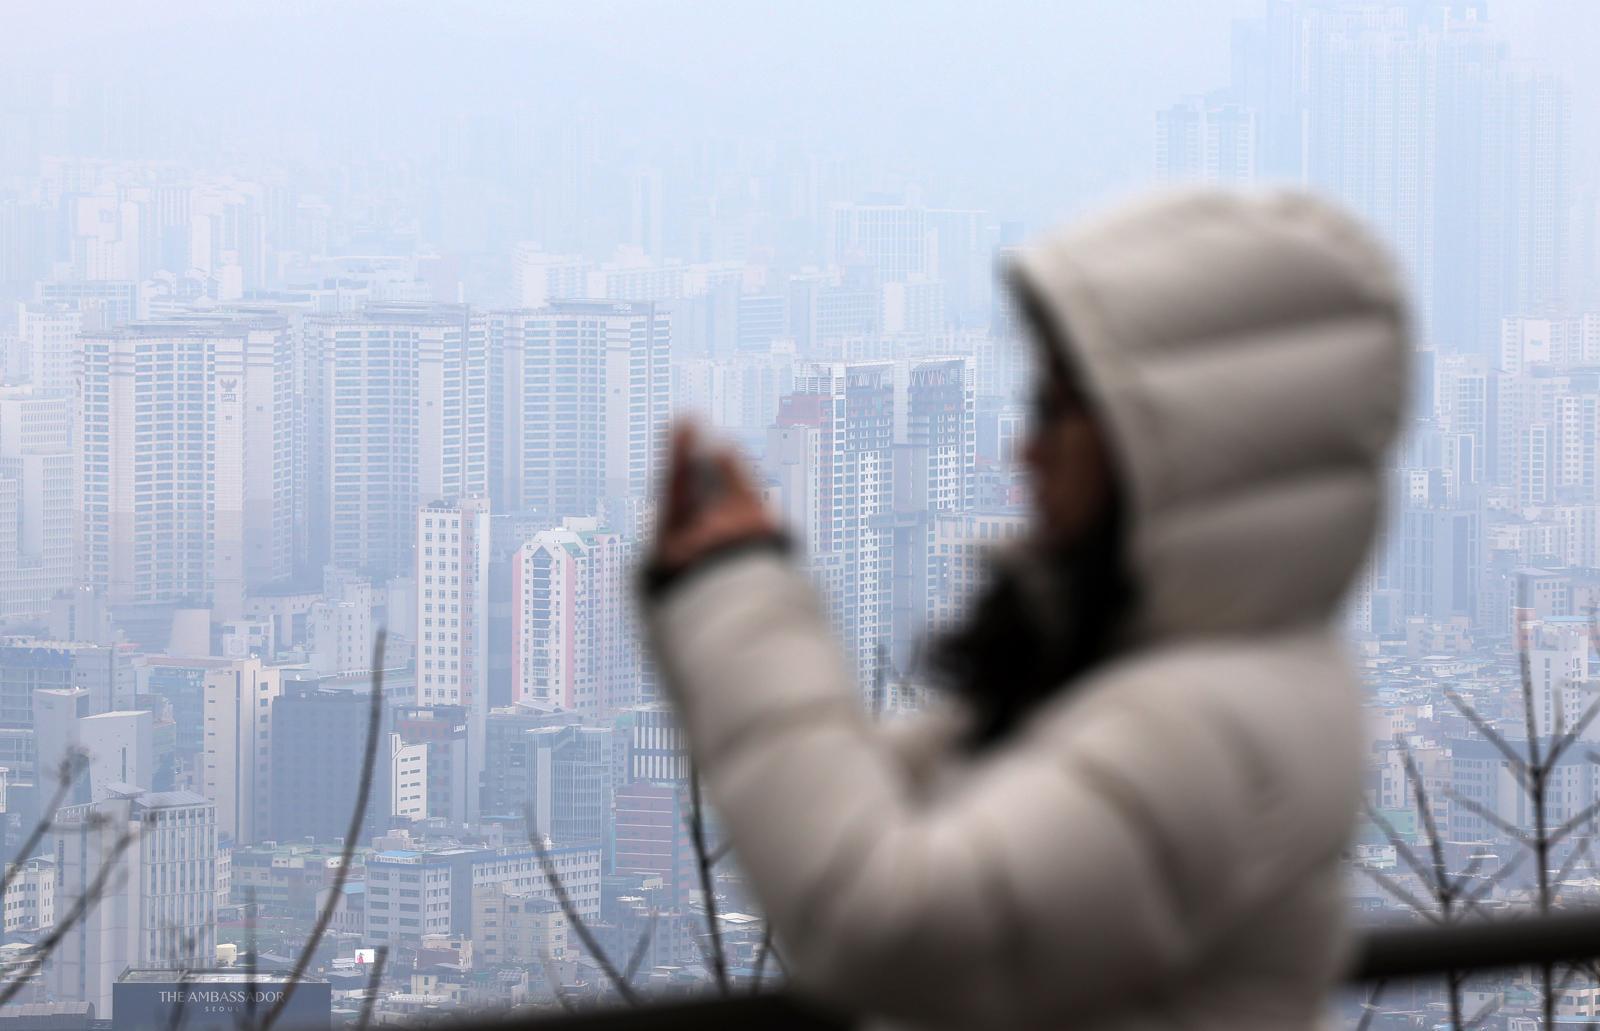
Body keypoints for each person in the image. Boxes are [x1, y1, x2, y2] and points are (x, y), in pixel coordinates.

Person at [641, 188, 1408, 1029]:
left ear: (1164, 448)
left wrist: (741, 595)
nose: (1027, 448)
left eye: (1056, 410)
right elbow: (891, 803)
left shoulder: (1202, 725)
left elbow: (901, 927)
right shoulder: (1183, 670)